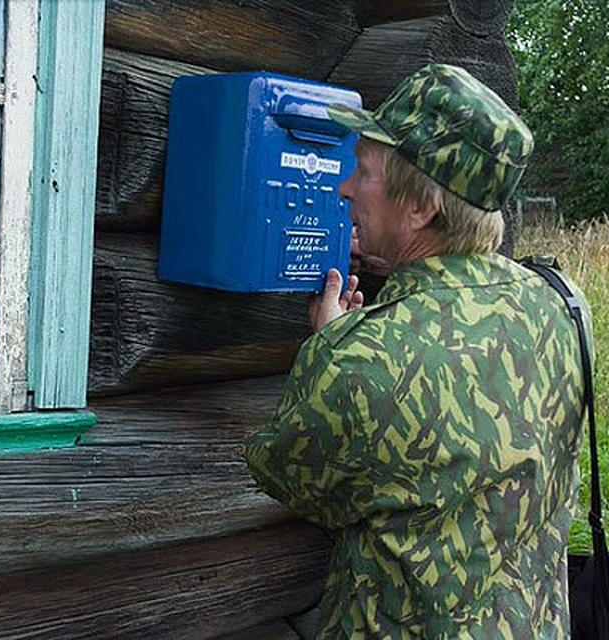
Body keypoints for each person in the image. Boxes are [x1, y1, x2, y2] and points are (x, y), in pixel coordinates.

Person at [243, 64, 589, 639]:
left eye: (364, 169)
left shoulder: (362, 360)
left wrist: (330, 343)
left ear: (423, 208)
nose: (344, 187)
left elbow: (283, 472)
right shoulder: (559, 305)